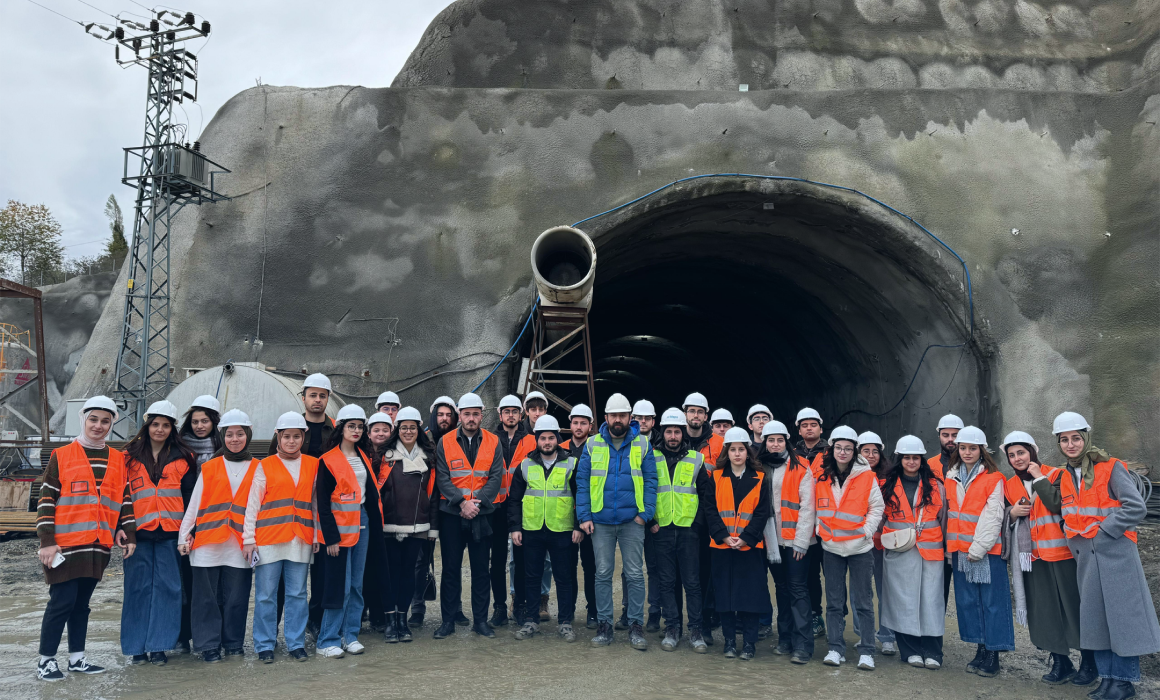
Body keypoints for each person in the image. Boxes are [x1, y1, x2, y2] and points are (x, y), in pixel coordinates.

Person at [1055, 412, 1160, 700]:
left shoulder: (1111, 467)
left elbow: (1135, 507)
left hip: (1116, 554)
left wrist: (1105, 531)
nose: (1071, 444)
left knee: (1123, 619)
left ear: (1086, 438)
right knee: (1096, 620)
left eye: (1076, 438)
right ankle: (1108, 679)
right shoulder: (1065, 475)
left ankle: (1124, 682)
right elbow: (1069, 514)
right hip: (1087, 558)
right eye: (1065, 440)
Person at [35, 396, 135, 682]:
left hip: (97, 545)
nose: (98, 426)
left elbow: (123, 499)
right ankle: (45, 661)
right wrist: (46, 541)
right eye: (93, 419)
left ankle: (77, 659)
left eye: (105, 421)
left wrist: (124, 531)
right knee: (61, 602)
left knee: (81, 605)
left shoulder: (118, 459)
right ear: (83, 419)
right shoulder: (62, 455)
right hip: (64, 546)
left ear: (112, 424)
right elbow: (46, 499)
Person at [1000, 430, 1093, 685]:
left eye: (1021, 452)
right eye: (1011, 455)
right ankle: (1061, 663)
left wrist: (1039, 479)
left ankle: (1089, 662)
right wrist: (1012, 512)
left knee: (1074, 609)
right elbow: (1005, 517)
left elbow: (1057, 505)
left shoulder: (1056, 474)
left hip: (1062, 554)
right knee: (1044, 612)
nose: (1017, 459)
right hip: (1032, 558)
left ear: (1033, 451)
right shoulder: (1009, 485)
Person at [577, 393, 658, 650]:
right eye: (614, 416)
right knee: (602, 574)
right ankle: (604, 625)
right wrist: (585, 516)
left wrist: (644, 515)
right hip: (600, 522)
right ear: (606, 418)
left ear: (629, 417)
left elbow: (651, 482)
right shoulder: (591, 445)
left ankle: (635, 625)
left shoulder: (643, 445)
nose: (618, 420)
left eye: (623, 415)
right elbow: (582, 483)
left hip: (631, 522)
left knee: (634, 574)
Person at [177, 409, 259, 663]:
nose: (235, 439)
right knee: (205, 599)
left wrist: (251, 541)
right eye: (230, 434)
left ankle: (233, 642)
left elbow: (258, 508)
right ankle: (207, 645)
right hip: (207, 543)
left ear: (248, 435)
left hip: (239, 544)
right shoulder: (210, 466)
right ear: (222, 436)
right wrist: (184, 535)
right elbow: (195, 504)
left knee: (237, 597)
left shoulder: (259, 468)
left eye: (240, 434)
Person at [121, 400, 198, 666]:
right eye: (156, 424)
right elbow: (121, 495)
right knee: (137, 589)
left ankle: (159, 646)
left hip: (170, 533)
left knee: (169, 589)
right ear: (147, 425)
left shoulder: (185, 457)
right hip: (138, 534)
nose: (160, 429)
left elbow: (190, 498)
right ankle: (136, 648)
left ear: (172, 428)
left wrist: (189, 531)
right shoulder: (128, 457)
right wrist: (124, 529)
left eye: (166, 425)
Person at [244, 412, 320, 663]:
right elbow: (252, 505)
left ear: (303, 437)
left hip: (300, 539)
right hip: (268, 540)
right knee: (266, 595)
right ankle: (265, 644)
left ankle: (296, 643)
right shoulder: (264, 465)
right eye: (286, 436)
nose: (291, 441)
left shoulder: (313, 464)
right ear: (278, 437)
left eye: (296, 436)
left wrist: (317, 534)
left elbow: (315, 504)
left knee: (298, 594)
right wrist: (248, 539)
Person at [265, 374, 334, 637]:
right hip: (287, 513)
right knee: (285, 577)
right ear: (303, 397)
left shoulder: (334, 429)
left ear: (327, 398)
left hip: (320, 510)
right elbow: (272, 465)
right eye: (313, 395)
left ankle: (313, 621)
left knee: (320, 573)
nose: (317, 400)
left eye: (322, 395)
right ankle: (274, 626)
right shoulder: (289, 427)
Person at [433, 392, 505, 639]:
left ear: (481, 415)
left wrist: (478, 503)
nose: (471, 418)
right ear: (459, 415)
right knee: (451, 569)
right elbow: (442, 477)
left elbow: (496, 477)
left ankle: (481, 622)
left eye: (476, 413)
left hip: (483, 514)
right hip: (452, 514)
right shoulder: (445, 442)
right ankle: (448, 622)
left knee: (480, 570)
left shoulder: (494, 441)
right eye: (467, 414)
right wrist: (462, 503)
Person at [315, 405, 383, 658]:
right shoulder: (328, 460)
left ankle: (350, 635)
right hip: (338, 530)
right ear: (340, 428)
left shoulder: (364, 456)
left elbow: (367, 495)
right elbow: (322, 503)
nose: (356, 430)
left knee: (356, 585)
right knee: (338, 587)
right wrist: (330, 537)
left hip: (362, 523)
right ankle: (327, 639)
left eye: (359, 426)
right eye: (351, 426)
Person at [945, 426, 1013, 678]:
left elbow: (993, 516)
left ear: (982, 451)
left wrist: (978, 548)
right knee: (970, 602)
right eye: (963, 448)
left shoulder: (994, 478)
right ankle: (980, 648)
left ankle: (993, 655)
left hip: (985, 552)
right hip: (960, 550)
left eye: (972, 448)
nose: (967, 452)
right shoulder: (950, 476)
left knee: (992, 603)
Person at [508, 415, 582, 642]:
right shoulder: (525, 465)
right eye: (543, 438)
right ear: (537, 440)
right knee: (531, 576)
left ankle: (565, 622)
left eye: (551, 438)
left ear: (557, 439)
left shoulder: (572, 463)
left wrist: (578, 526)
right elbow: (514, 500)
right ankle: (531, 621)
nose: (547, 442)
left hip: (562, 530)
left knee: (564, 577)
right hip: (532, 530)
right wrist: (515, 528)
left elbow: (582, 497)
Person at [815, 425, 883, 670]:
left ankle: (867, 651)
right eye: (839, 448)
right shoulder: (823, 476)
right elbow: (815, 507)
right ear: (832, 449)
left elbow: (877, 508)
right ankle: (835, 648)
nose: (843, 452)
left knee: (864, 602)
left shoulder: (866, 476)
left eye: (848, 448)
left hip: (859, 549)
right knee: (833, 602)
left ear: (854, 451)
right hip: (832, 548)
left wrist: (867, 532)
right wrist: (818, 529)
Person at [879, 435, 946, 670]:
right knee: (903, 601)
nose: (911, 461)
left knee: (931, 601)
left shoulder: (936, 485)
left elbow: (944, 519)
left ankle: (933, 652)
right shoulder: (886, 484)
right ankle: (910, 651)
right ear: (899, 459)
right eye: (906, 457)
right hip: (899, 550)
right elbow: (879, 518)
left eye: (915, 457)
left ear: (922, 459)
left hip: (930, 550)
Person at [652, 408, 714, 653]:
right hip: (662, 529)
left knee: (692, 582)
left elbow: (705, 494)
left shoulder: (695, 459)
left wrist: (698, 524)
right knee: (666, 582)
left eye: (677, 431)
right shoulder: (652, 459)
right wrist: (649, 521)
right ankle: (672, 628)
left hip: (689, 531)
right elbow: (645, 491)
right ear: (663, 433)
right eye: (669, 431)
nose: (673, 436)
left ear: (683, 434)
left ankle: (696, 629)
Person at [706, 427, 771, 660]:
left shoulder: (760, 479)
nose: (736, 454)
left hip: (750, 548)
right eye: (732, 449)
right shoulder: (715, 477)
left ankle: (750, 644)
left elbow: (762, 513)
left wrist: (745, 538)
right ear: (727, 452)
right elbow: (710, 511)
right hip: (721, 547)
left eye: (741, 449)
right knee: (725, 597)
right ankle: (730, 642)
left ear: (748, 452)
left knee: (749, 598)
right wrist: (723, 536)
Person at [379, 407, 439, 643]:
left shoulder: (429, 456)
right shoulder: (385, 456)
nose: (408, 431)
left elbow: (433, 494)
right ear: (397, 429)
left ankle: (403, 619)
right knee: (390, 575)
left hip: (418, 527)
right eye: (403, 427)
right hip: (390, 526)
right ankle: (390, 620)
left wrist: (433, 528)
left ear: (419, 429)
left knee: (409, 576)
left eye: (412, 427)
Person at [757, 420, 815, 664]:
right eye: (771, 440)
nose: (775, 444)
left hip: (795, 544)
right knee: (781, 589)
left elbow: (808, 507)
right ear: (764, 442)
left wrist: (801, 541)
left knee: (798, 590)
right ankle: (785, 639)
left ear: (787, 441)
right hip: (771, 541)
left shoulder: (801, 466)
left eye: (780, 440)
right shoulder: (758, 466)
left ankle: (803, 645)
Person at [175, 394, 223, 655]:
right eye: (195, 421)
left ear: (214, 422)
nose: (199, 426)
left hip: (215, 521)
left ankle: (212, 636)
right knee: (186, 582)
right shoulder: (181, 448)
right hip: (185, 519)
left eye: (204, 421)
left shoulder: (222, 447)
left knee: (211, 584)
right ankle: (184, 635)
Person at [493, 393, 542, 627]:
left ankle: (520, 605)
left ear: (520, 414)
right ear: (500, 414)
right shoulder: (489, 439)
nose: (510, 415)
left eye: (514, 411)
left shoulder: (532, 440)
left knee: (521, 559)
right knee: (497, 560)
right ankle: (499, 607)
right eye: (506, 412)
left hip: (522, 506)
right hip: (495, 506)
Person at [411, 396, 458, 626]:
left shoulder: (460, 441)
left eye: (449, 415)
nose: (445, 419)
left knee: (452, 561)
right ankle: (417, 608)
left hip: (450, 508)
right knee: (421, 560)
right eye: (440, 415)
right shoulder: (423, 441)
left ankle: (455, 609)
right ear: (433, 416)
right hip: (427, 507)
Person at [682, 391, 718, 636]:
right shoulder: (673, 438)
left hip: (708, 516)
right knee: (679, 573)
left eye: (700, 412)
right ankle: (674, 620)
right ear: (686, 413)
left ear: (706, 416)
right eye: (692, 411)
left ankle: (705, 619)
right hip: (680, 517)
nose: (696, 415)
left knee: (706, 570)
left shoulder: (719, 444)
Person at [858, 430, 896, 656]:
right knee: (861, 592)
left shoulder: (890, 477)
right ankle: (864, 634)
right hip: (859, 543)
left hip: (882, 543)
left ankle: (887, 636)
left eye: (875, 451)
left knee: (885, 592)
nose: (871, 455)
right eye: (866, 451)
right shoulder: (850, 476)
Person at [562, 403, 599, 629]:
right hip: (566, 519)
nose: (578, 426)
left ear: (590, 426)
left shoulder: (596, 448)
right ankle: (568, 612)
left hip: (589, 520)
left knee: (591, 568)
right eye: (575, 422)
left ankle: (593, 611)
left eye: (583, 423)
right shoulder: (559, 449)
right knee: (567, 568)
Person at [625, 398, 662, 632]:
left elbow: (658, 486)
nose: (642, 422)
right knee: (629, 569)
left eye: (646, 418)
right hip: (632, 517)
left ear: (653, 421)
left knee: (655, 568)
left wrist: (652, 517)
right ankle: (628, 611)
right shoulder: (626, 443)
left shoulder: (662, 445)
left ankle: (655, 613)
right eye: (638, 418)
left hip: (654, 519)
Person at [794, 407, 827, 638]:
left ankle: (831, 615)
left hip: (827, 521)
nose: (809, 428)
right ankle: (813, 614)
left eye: (813, 424)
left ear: (820, 428)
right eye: (804, 425)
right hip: (802, 521)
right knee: (809, 573)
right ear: (799, 429)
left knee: (830, 572)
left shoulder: (832, 451)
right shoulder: (792, 453)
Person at [362, 412, 393, 632]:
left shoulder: (394, 455)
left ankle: (379, 615)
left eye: (385, 430)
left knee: (383, 568)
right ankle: (361, 611)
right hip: (364, 516)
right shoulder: (359, 453)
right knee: (363, 569)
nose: (380, 434)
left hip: (389, 517)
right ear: (368, 432)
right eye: (376, 430)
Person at [928, 414, 962, 480]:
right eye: (945, 435)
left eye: (955, 435)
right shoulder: (930, 464)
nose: (950, 439)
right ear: (939, 437)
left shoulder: (969, 464)